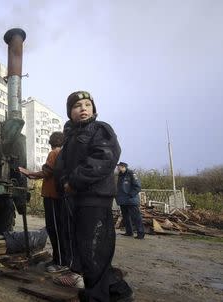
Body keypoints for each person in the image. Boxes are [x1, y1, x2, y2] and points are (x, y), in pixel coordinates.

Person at [57, 90, 133, 301]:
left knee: (93, 250)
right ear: (70, 112)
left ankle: (96, 297)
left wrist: (73, 181)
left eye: (87, 105)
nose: (83, 108)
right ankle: (118, 291)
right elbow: (63, 166)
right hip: (76, 199)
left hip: (95, 197)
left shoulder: (99, 129)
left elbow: (104, 158)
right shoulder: (69, 138)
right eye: (77, 105)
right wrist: (64, 181)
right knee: (88, 250)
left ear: (93, 109)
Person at [18, 131, 72, 274]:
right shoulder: (65, 154)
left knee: (54, 229)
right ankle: (59, 259)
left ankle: (60, 262)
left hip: (52, 196)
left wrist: (29, 173)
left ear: (52, 141)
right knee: (60, 228)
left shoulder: (54, 153)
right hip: (59, 196)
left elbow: (46, 173)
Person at [116, 162, 144, 239]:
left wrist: (130, 195)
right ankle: (129, 232)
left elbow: (138, 187)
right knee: (126, 217)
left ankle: (141, 233)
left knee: (136, 217)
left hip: (131, 200)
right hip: (123, 200)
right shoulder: (120, 175)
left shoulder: (131, 173)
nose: (117, 168)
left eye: (119, 166)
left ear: (123, 167)